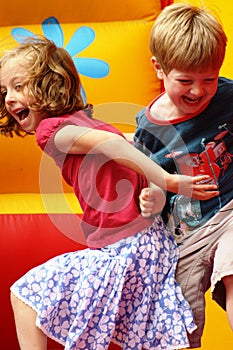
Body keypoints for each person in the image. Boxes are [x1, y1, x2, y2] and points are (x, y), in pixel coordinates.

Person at [0, 36, 218, 350]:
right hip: (150, 245)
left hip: (124, 248)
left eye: (19, 86)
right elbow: (137, 148)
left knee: (24, 293)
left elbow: (118, 147)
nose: (9, 97)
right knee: (144, 334)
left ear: (48, 85)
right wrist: (155, 189)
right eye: (5, 90)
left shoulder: (52, 132)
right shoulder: (88, 125)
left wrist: (167, 183)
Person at [134, 2, 233, 349]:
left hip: (230, 213)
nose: (198, 91)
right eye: (185, 80)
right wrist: (152, 198)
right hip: (186, 235)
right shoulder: (148, 130)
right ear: (159, 69)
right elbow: (153, 184)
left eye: (208, 78)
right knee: (179, 325)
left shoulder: (228, 96)